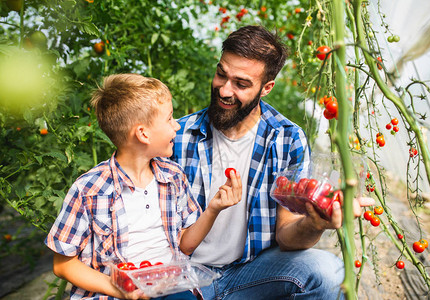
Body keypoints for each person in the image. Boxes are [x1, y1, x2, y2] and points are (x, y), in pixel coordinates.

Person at [171, 25, 375, 299]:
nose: (224, 90)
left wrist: (315, 223)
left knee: (329, 273)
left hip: (249, 273)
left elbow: (286, 236)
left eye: (241, 84)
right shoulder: (178, 136)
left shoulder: (287, 139)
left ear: (266, 88)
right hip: (184, 274)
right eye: (221, 74)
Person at [45, 74, 242, 300]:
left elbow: (185, 246)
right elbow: (63, 264)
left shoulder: (173, 176)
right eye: (169, 119)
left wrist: (213, 209)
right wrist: (118, 288)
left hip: (169, 287)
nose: (177, 125)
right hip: (111, 294)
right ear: (143, 134)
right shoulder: (89, 189)